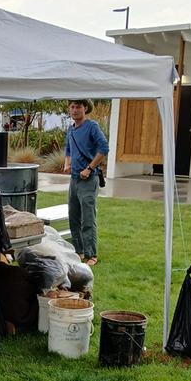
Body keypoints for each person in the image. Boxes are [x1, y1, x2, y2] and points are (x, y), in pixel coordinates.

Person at [63, 99, 108, 267]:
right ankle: (79, 251)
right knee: (73, 217)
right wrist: (67, 164)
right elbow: (68, 149)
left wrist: (89, 168)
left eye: (78, 107)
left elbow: (104, 148)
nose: (75, 110)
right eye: (72, 107)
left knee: (87, 219)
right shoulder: (71, 129)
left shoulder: (92, 126)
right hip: (74, 179)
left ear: (85, 108)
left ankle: (91, 255)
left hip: (88, 179)